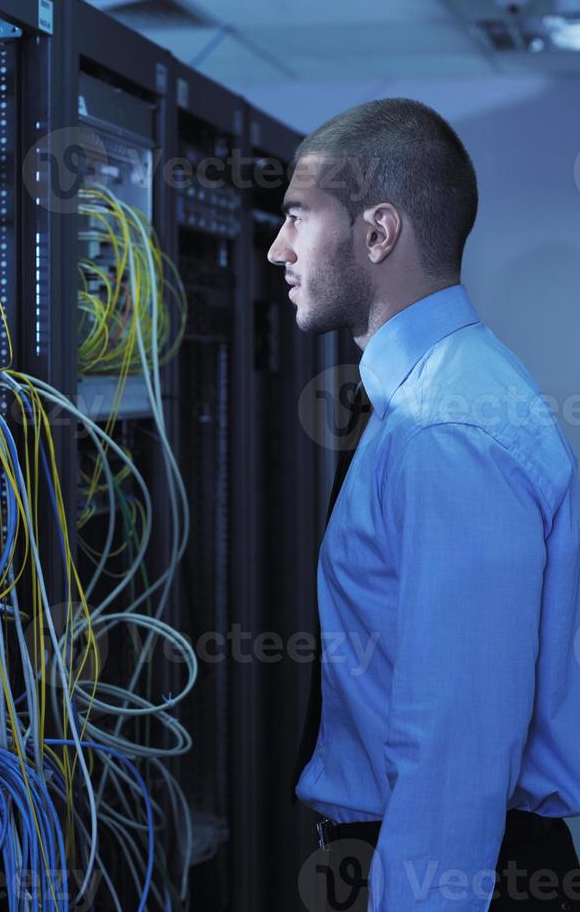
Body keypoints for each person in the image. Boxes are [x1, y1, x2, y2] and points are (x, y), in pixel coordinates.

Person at [267, 98, 580, 911]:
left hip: (457, 872)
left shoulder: (449, 426)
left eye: (298, 218)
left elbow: (457, 747)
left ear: (378, 233)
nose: (278, 249)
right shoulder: (425, 400)